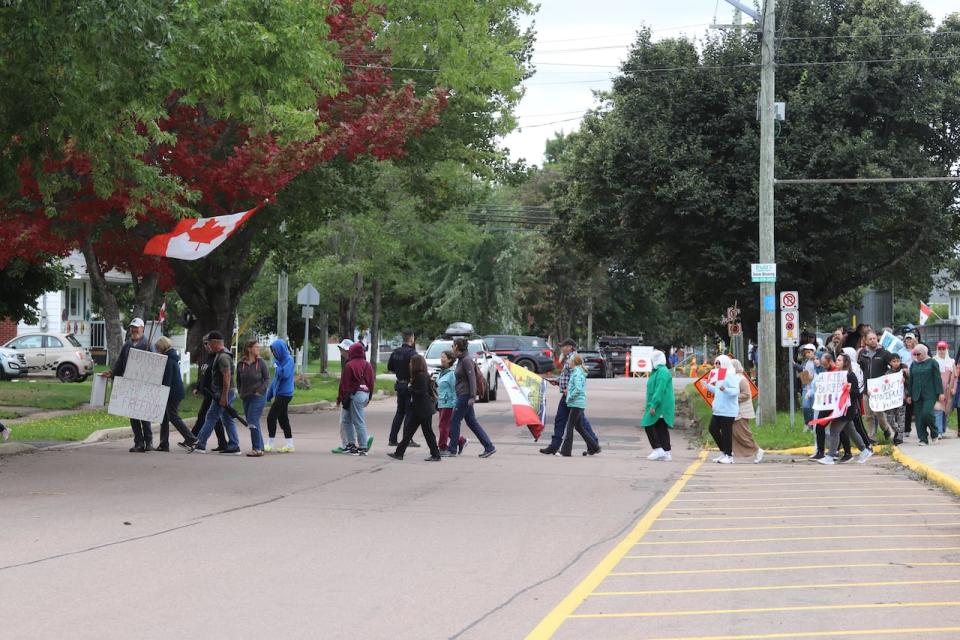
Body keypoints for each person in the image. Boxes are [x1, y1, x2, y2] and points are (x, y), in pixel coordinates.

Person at [102, 317, 155, 452]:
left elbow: (155, 365)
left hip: (144, 385)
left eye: (137, 327)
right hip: (130, 384)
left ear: (142, 328)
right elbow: (120, 363)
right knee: (133, 414)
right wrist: (112, 373)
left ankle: (149, 441)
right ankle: (138, 442)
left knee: (143, 414)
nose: (134, 330)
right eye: (132, 327)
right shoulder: (127, 344)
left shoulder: (148, 344)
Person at [540, 339, 600, 455]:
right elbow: (568, 376)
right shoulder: (569, 358)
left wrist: (569, 391)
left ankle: (590, 445)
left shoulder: (573, 359)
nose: (561, 348)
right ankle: (592, 445)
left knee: (573, 422)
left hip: (571, 396)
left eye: (563, 346)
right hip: (568, 394)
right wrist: (558, 382)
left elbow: (576, 378)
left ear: (570, 347)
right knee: (571, 421)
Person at [442, 337, 496, 458]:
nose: (452, 348)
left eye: (452, 346)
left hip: (465, 396)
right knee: (472, 422)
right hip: (463, 395)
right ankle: (489, 446)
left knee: (454, 421)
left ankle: (452, 449)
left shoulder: (466, 360)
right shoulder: (461, 360)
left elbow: (472, 380)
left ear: (456, 347)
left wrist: (472, 396)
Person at [192, 331, 241, 454]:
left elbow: (227, 377)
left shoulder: (223, 356)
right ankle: (234, 445)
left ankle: (201, 444)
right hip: (224, 391)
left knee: (211, 416)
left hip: (224, 392)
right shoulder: (221, 354)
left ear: (215, 342)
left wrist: (224, 396)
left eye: (208, 343)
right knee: (227, 419)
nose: (208, 346)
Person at [818, 353, 873, 465]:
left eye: (839, 360)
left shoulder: (850, 375)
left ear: (845, 362)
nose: (836, 362)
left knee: (834, 430)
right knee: (851, 431)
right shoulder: (837, 375)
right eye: (837, 360)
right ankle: (864, 450)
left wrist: (849, 388)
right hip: (840, 409)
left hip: (847, 410)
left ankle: (830, 456)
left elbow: (857, 393)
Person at [388, 355, 442, 461]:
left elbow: (421, 392)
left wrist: (408, 389)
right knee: (409, 432)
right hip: (419, 409)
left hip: (423, 409)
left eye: (411, 362)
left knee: (427, 433)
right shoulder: (419, 375)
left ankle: (436, 454)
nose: (409, 364)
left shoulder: (421, 376)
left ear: (416, 364)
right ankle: (399, 453)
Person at [154, 336, 197, 452]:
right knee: (164, 417)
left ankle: (191, 438)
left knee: (173, 416)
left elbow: (167, 380)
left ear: (162, 347)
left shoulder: (168, 359)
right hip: (175, 391)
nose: (157, 350)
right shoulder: (172, 357)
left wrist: (160, 393)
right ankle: (164, 444)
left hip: (172, 393)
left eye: (158, 348)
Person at [337, 341, 375, 456]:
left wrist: (339, 398)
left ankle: (363, 447)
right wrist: (369, 397)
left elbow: (344, 384)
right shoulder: (367, 365)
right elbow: (371, 382)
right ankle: (351, 444)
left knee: (357, 421)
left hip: (354, 395)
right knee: (346, 419)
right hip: (364, 394)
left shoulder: (349, 365)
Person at [191, 334, 228, 451]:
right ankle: (223, 443)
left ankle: (192, 439)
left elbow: (220, 376)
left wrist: (221, 393)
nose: (206, 346)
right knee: (214, 419)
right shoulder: (207, 357)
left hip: (213, 392)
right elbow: (203, 374)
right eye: (205, 344)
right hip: (207, 392)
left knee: (204, 416)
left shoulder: (219, 357)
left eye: (207, 343)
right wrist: (198, 387)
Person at [559, 354, 600, 456]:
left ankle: (566, 451)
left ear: (574, 362)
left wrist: (570, 396)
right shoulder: (578, 372)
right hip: (579, 403)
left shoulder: (576, 373)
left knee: (570, 427)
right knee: (579, 427)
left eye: (570, 361)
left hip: (576, 403)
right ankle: (595, 447)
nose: (568, 362)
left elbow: (578, 389)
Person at [857, 331, 894, 442]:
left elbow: (893, 366)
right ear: (866, 341)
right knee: (868, 415)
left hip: (880, 390)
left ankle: (886, 429)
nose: (873, 340)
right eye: (870, 339)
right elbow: (862, 369)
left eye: (874, 338)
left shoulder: (885, 353)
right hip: (867, 390)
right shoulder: (862, 353)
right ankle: (871, 437)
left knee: (879, 413)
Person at [387, 329, 420, 448]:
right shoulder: (412, 354)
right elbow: (417, 370)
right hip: (410, 385)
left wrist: (400, 371)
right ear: (411, 338)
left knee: (400, 412)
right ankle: (407, 439)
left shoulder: (396, 352)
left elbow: (390, 367)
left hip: (400, 384)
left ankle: (392, 438)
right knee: (410, 413)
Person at [237, 339, 270, 457]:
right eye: (256, 347)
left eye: (258, 347)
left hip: (258, 396)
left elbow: (267, 380)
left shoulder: (261, 363)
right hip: (246, 396)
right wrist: (240, 391)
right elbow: (238, 380)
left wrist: (260, 391)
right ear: (249, 349)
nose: (258, 349)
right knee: (253, 421)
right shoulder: (241, 364)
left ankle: (256, 449)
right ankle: (260, 446)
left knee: (252, 420)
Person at [705, 355, 739, 464]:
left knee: (726, 433)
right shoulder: (719, 375)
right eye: (716, 364)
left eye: (719, 364)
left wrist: (726, 389)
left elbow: (735, 391)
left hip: (728, 410)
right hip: (718, 409)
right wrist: (707, 386)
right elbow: (718, 391)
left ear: (725, 364)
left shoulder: (730, 375)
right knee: (713, 429)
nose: (717, 366)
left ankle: (729, 455)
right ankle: (724, 452)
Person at [908, 343, 944, 446]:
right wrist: (909, 395)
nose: (916, 356)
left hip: (930, 394)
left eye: (918, 354)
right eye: (915, 354)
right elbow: (911, 380)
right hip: (916, 394)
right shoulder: (913, 364)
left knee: (927, 413)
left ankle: (934, 434)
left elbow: (937, 379)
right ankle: (923, 438)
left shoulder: (932, 362)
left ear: (924, 353)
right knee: (919, 417)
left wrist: (940, 393)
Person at [641, 350, 674, 461]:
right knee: (660, 427)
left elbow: (659, 390)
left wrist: (653, 405)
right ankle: (666, 452)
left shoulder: (662, 372)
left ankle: (658, 449)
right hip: (659, 403)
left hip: (660, 404)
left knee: (648, 423)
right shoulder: (658, 371)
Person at [265, 338, 296, 453]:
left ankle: (270, 443)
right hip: (279, 394)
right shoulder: (278, 362)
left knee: (271, 417)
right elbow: (275, 381)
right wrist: (268, 395)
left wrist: (277, 367)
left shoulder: (289, 360)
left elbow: (285, 374)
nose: (273, 353)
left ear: (280, 349)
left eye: (274, 350)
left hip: (285, 394)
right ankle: (290, 444)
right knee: (283, 419)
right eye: (272, 351)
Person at [731, 359, 764, 463]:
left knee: (743, 434)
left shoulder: (742, 380)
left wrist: (732, 397)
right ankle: (731, 453)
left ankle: (758, 450)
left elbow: (746, 395)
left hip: (742, 412)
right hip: (735, 411)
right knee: (735, 434)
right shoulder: (734, 379)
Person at [436, 350, 467, 454]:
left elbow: (455, 390)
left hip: (448, 403)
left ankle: (443, 447)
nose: (441, 358)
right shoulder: (441, 372)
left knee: (443, 426)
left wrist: (454, 404)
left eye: (443, 357)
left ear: (449, 360)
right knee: (445, 427)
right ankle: (461, 441)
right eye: (441, 356)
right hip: (440, 402)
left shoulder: (451, 374)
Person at [933, 341, 955, 439]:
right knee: (938, 409)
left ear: (946, 350)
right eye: (940, 349)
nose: (942, 351)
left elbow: (955, 377)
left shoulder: (951, 361)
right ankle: (938, 431)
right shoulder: (933, 360)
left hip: (948, 390)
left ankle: (943, 428)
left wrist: (953, 388)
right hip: (937, 389)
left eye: (943, 349)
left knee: (945, 411)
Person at [884, 353, 907, 446]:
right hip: (891, 400)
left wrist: (907, 394)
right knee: (890, 418)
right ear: (890, 362)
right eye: (894, 361)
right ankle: (896, 431)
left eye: (898, 361)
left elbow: (908, 384)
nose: (896, 363)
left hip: (901, 399)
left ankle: (899, 437)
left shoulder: (904, 372)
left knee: (900, 418)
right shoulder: (887, 373)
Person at [797, 344, 818, 426]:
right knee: (805, 407)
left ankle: (813, 425)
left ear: (814, 352)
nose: (807, 354)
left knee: (813, 408)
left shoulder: (817, 361)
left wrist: (808, 376)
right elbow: (805, 376)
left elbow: (815, 376)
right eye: (806, 353)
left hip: (814, 389)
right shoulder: (806, 362)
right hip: (806, 387)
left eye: (809, 352)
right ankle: (807, 424)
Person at [903, 332, 919, 435]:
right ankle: (907, 428)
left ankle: (920, 428)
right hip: (905, 379)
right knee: (907, 404)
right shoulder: (901, 351)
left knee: (917, 404)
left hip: (917, 378)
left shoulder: (918, 350)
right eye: (907, 339)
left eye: (910, 339)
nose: (909, 341)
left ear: (914, 340)